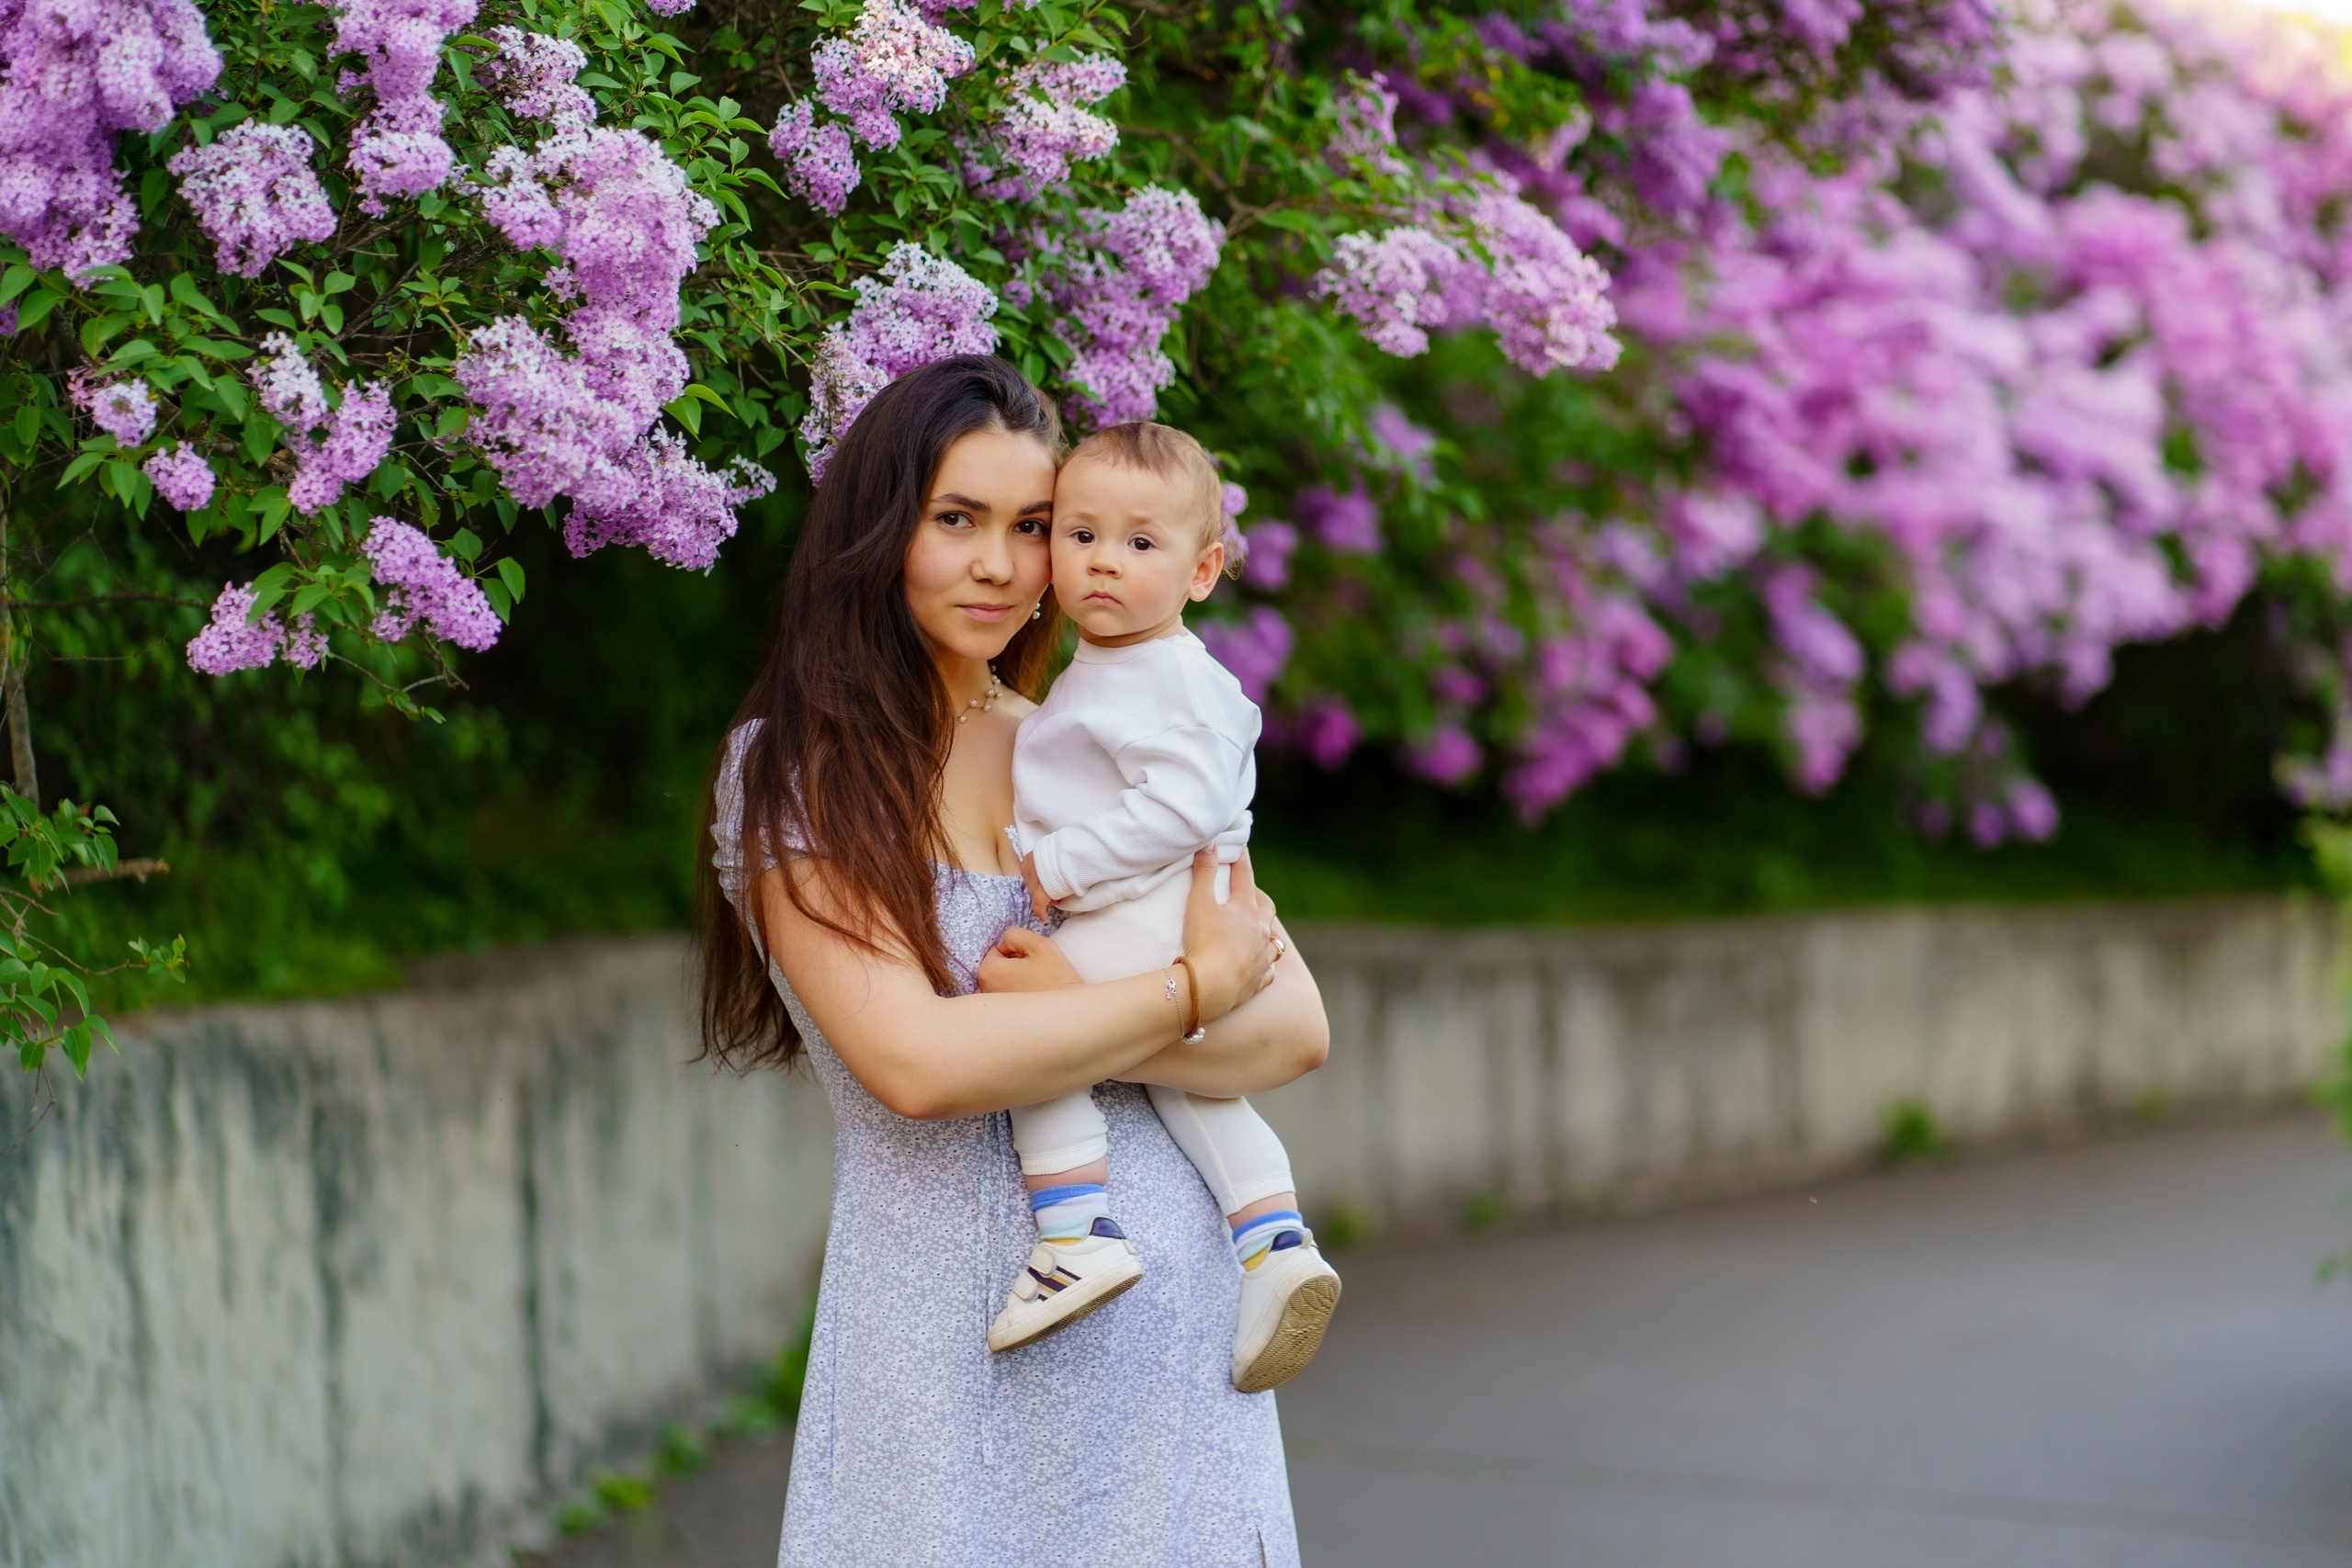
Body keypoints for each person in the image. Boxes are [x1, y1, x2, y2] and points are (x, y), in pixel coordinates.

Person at [697, 355, 1330, 1566]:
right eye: (956, 519)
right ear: (879, 532)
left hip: (1179, 1381)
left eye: (1032, 525)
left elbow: (1294, 1025)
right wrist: (1188, 994)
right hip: (943, 1370)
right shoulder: (799, 774)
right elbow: (919, 1064)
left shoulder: (1098, 745)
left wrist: (1103, 1007)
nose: (998, 563)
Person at [989, 421, 1340, 1397]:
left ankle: (1074, 1233)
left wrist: (1061, 863)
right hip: (1168, 914)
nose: (1104, 561)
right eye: (1080, 535)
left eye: (1140, 542)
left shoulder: (1171, 677)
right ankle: (1276, 1245)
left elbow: (1183, 809)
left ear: (1203, 570)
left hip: (1146, 911)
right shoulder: (1117, 666)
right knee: (1200, 1090)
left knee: (1026, 1025)